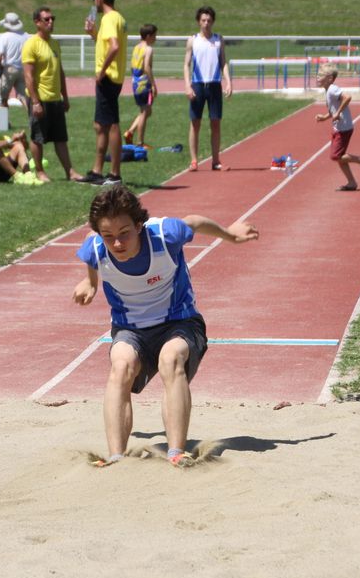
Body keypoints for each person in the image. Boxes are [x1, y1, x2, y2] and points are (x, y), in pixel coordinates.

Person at [73, 185, 258, 467]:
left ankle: (176, 452)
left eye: (125, 234)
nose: (118, 244)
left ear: (139, 225)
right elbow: (90, 248)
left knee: (170, 359)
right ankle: (116, 457)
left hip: (180, 322)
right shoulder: (96, 247)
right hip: (130, 328)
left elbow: (194, 221)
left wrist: (230, 235)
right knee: (120, 367)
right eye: (109, 237)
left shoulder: (165, 235)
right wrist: (91, 282)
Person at [22, 6, 84, 184]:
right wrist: (35, 102)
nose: (51, 22)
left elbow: (60, 72)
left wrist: (65, 96)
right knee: (37, 137)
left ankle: (70, 171)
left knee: (60, 138)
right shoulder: (31, 44)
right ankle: (40, 171)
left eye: (52, 19)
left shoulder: (54, 43)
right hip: (39, 99)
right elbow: (28, 76)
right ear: (37, 23)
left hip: (55, 99)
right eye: (47, 19)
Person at [77, 0, 127, 186]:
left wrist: (102, 70)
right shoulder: (118, 18)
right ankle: (97, 170)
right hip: (113, 77)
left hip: (108, 77)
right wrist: (93, 34)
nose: (93, 2)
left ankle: (114, 173)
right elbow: (107, 43)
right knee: (101, 124)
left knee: (112, 124)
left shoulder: (108, 18)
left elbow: (113, 47)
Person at [183, 6, 232, 172]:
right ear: (198, 21)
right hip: (197, 85)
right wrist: (187, 85)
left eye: (209, 21)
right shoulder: (193, 40)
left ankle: (216, 161)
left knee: (215, 123)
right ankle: (194, 161)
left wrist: (228, 82)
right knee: (195, 123)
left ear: (213, 22)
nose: (206, 23)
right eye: (203, 20)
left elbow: (223, 62)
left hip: (214, 85)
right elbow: (186, 64)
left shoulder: (218, 40)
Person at [314, 63, 360, 191]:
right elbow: (333, 110)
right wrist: (324, 117)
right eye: (317, 75)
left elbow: (348, 97)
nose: (317, 77)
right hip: (339, 127)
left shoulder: (333, 89)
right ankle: (351, 182)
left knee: (336, 156)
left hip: (343, 128)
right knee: (339, 157)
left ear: (329, 78)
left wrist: (338, 112)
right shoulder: (328, 91)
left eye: (320, 75)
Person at [123, 24, 158, 148]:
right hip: (144, 83)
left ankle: (130, 132)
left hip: (135, 82)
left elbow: (132, 66)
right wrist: (153, 84)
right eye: (154, 36)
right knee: (144, 112)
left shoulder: (136, 47)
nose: (156, 38)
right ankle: (140, 142)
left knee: (147, 111)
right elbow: (147, 67)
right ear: (148, 36)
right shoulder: (148, 49)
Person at [0, 12, 29, 117]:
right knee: (23, 95)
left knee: (2, 96)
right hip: (22, 68)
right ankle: (31, 117)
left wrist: (0, 66)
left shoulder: (5, 37)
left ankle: (4, 120)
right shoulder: (26, 36)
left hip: (9, 69)